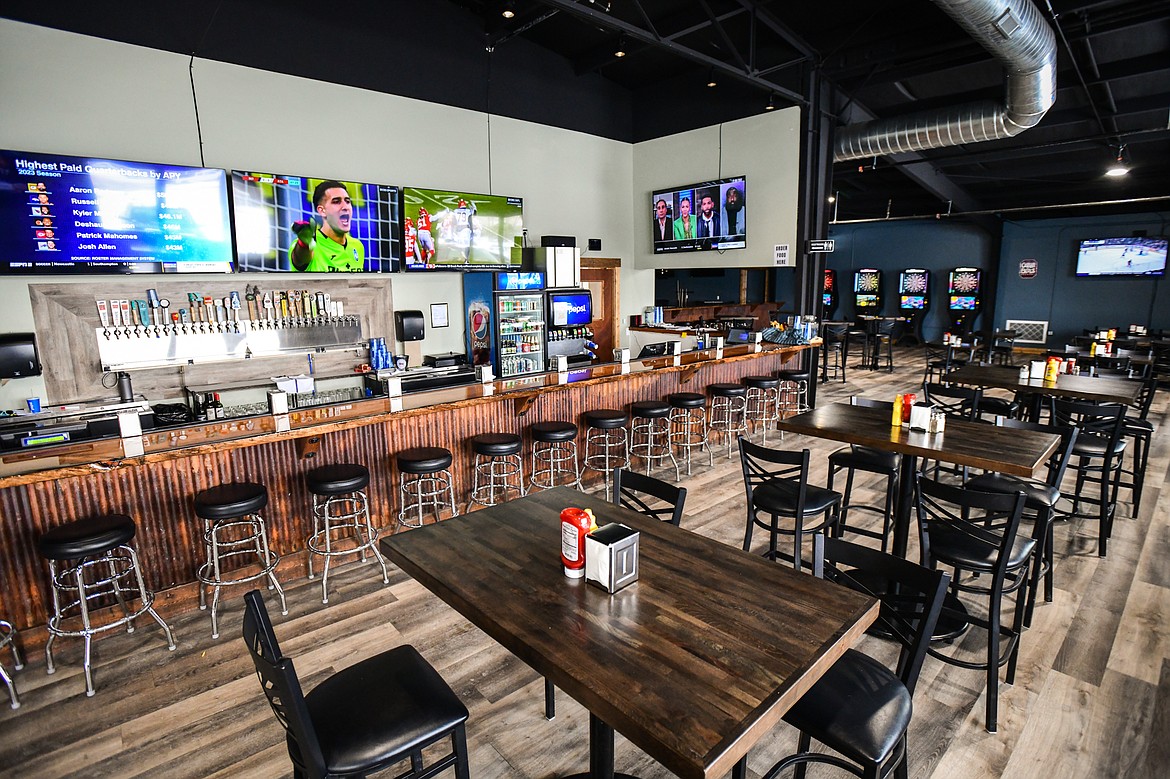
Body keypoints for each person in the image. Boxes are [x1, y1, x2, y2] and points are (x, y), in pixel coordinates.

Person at [288, 180, 366, 272]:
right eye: (336, 202)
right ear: (322, 210)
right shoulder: (310, 243)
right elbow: (300, 259)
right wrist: (304, 244)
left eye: (347, 201)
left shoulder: (357, 246)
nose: (345, 207)